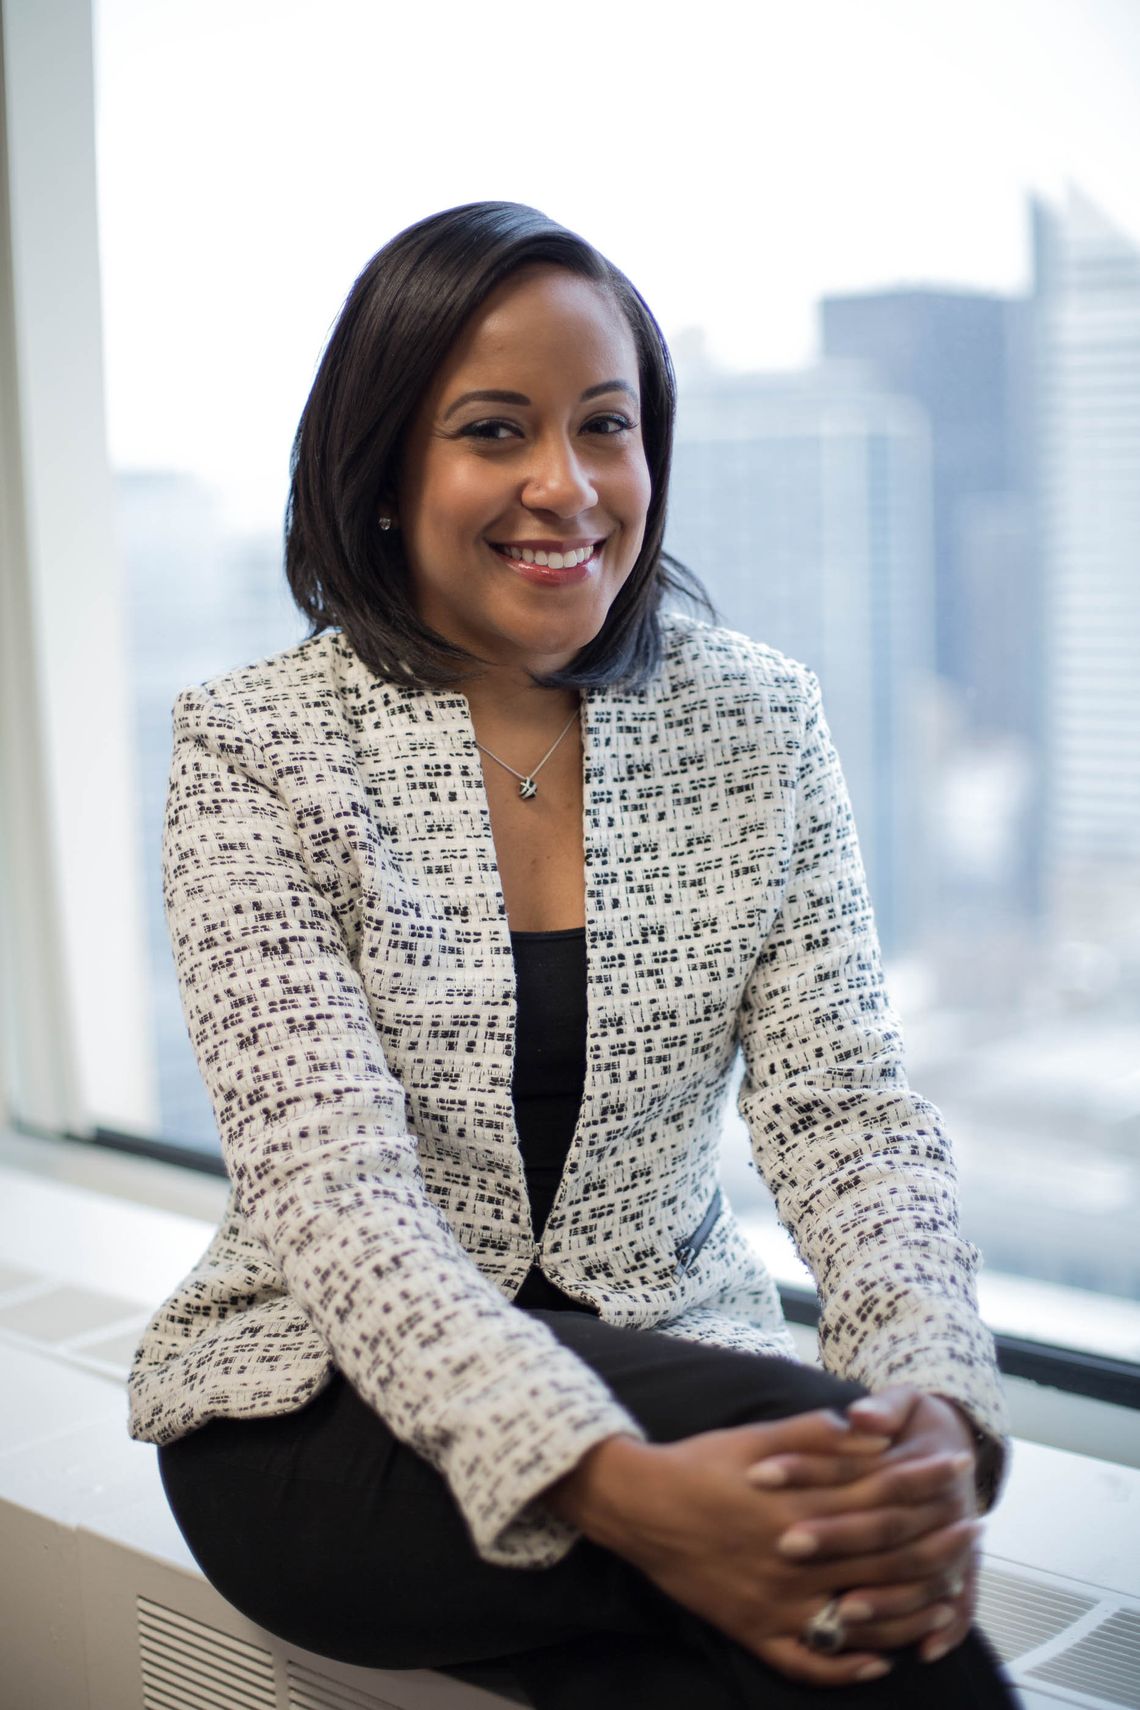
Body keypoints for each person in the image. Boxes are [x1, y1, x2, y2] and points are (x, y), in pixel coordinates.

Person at [129, 202, 1015, 1708]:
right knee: (832, 1535)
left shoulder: (756, 720)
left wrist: (932, 1400)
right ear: (385, 471)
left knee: (796, 1606)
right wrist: (611, 1483)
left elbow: (844, 1112)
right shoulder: (257, 748)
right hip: (326, 1408)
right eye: (494, 430)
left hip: (659, 1345)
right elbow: (334, 1198)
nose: (567, 484)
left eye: (606, 425)